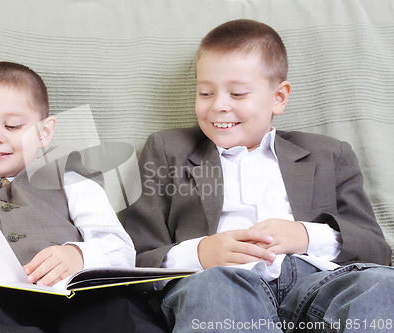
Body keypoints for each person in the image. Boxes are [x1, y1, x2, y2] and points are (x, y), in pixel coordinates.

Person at [125, 19, 394, 332]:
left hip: (321, 280)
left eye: (237, 94)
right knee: (215, 291)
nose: (218, 106)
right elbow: (135, 257)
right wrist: (200, 253)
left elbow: (376, 249)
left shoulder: (329, 154)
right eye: (205, 92)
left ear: (278, 98)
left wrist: (306, 235)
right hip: (221, 281)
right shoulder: (168, 149)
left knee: (381, 286)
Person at [0, 61, 168, 332]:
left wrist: (77, 255)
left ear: (44, 132)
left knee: (118, 308)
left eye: (13, 126)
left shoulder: (69, 177)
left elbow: (121, 251)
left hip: (75, 296)